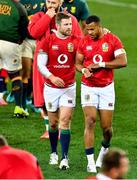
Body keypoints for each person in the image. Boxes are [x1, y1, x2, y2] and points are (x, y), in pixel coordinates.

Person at [76, 15, 127, 173]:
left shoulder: (112, 40)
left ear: (99, 27)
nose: (89, 32)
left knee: (106, 128)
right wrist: (83, 69)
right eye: (87, 29)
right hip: (88, 86)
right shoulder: (84, 41)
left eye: (92, 29)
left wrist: (102, 64)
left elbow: (123, 61)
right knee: (90, 121)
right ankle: (90, 162)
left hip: (106, 88)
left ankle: (104, 150)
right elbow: (77, 62)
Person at [28, 0, 83, 139]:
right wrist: (48, 17)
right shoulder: (39, 16)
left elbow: (80, 40)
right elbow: (34, 33)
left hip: (63, 63)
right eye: (48, 1)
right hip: (43, 62)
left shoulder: (70, 19)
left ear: (61, 2)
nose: (50, 4)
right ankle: (49, 128)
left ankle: (61, 127)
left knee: (62, 97)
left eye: (54, 2)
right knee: (43, 98)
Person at [37, 12, 80, 170]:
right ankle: (54, 152)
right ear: (58, 25)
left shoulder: (76, 40)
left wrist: (104, 32)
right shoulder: (47, 40)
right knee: (53, 124)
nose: (70, 27)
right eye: (66, 24)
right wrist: (52, 76)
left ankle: (65, 158)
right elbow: (41, 64)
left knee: (65, 123)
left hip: (69, 87)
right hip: (51, 88)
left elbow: (91, 42)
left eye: (71, 24)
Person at [0, 0, 29, 117]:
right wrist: (20, 40)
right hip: (10, 44)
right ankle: (18, 108)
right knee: (15, 75)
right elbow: (24, 29)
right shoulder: (19, 8)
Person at [20, 0, 45, 113]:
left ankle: (36, 101)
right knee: (26, 72)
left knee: (39, 73)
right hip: (26, 41)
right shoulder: (22, 1)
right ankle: (23, 102)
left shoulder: (47, 2)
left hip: (41, 41)